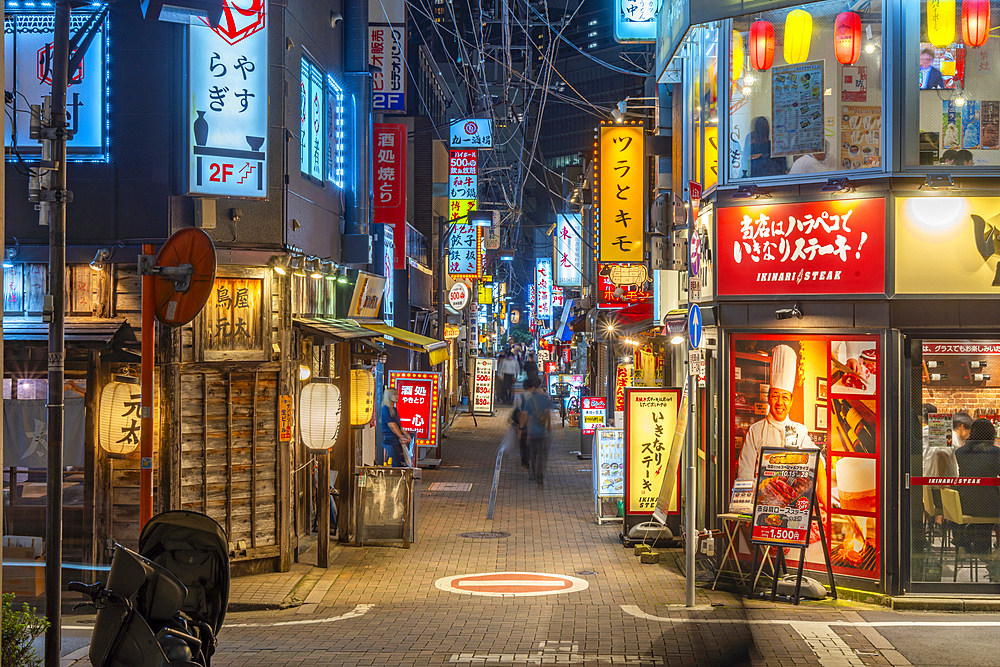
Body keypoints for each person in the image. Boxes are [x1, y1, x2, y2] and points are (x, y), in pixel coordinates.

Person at [736, 344, 829, 507]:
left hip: (790, 505)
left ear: (791, 400)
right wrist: (745, 509)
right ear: (768, 398)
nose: (780, 402)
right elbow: (745, 473)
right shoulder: (755, 430)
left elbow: (817, 458)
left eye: (785, 397)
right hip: (760, 505)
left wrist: (823, 493)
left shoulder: (799, 431)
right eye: (775, 396)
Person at [954, 418, 1000, 555]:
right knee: (987, 502)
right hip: (988, 506)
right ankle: (989, 552)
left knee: (980, 500)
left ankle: (965, 542)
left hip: (964, 504)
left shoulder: (960, 452)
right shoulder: (994, 452)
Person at [523, 377, 552, 486]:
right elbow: (548, 414)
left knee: (533, 454)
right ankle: (540, 476)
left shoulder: (530, 400)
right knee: (542, 455)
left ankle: (532, 473)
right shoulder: (545, 399)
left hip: (533, 432)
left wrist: (528, 434)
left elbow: (528, 418)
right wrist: (549, 427)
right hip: (542, 432)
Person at [380, 387, 412, 467]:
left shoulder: (394, 409)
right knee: (396, 464)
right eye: (394, 394)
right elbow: (392, 425)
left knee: (400, 463)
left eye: (397, 394)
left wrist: (406, 434)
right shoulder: (385, 409)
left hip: (396, 441)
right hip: (390, 441)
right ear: (389, 396)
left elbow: (398, 425)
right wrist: (401, 436)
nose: (397, 396)